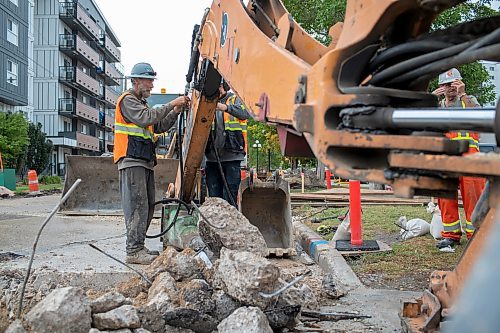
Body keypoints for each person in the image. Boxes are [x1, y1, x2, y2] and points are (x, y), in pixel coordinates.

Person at [114, 62, 190, 264]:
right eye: (148, 81)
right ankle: (133, 250)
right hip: (131, 161)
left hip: (144, 161)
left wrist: (175, 112)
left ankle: (138, 246)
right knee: (136, 205)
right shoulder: (128, 101)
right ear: (136, 80)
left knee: (146, 206)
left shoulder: (141, 104)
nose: (151, 86)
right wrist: (172, 103)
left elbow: (159, 126)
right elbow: (146, 118)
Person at [431, 68, 485, 249]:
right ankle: (451, 235)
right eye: (447, 84)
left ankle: (476, 233)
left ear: (460, 83)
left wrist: (463, 95)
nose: (451, 87)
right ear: (441, 87)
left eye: (454, 83)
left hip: (470, 160)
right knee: (446, 198)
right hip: (446, 159)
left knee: (473, 196)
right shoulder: (438, 106)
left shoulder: (469, 101)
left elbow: (478, 118)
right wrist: (430, 100)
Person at [204, 80, 250, 207]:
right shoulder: (205, 102)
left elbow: (245, 113)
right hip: (212, 158)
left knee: (230, 196)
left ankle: (230, 225)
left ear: (223, 86)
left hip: (232, 155)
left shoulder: (235, 99)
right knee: (214, 198)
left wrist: (225, 107)